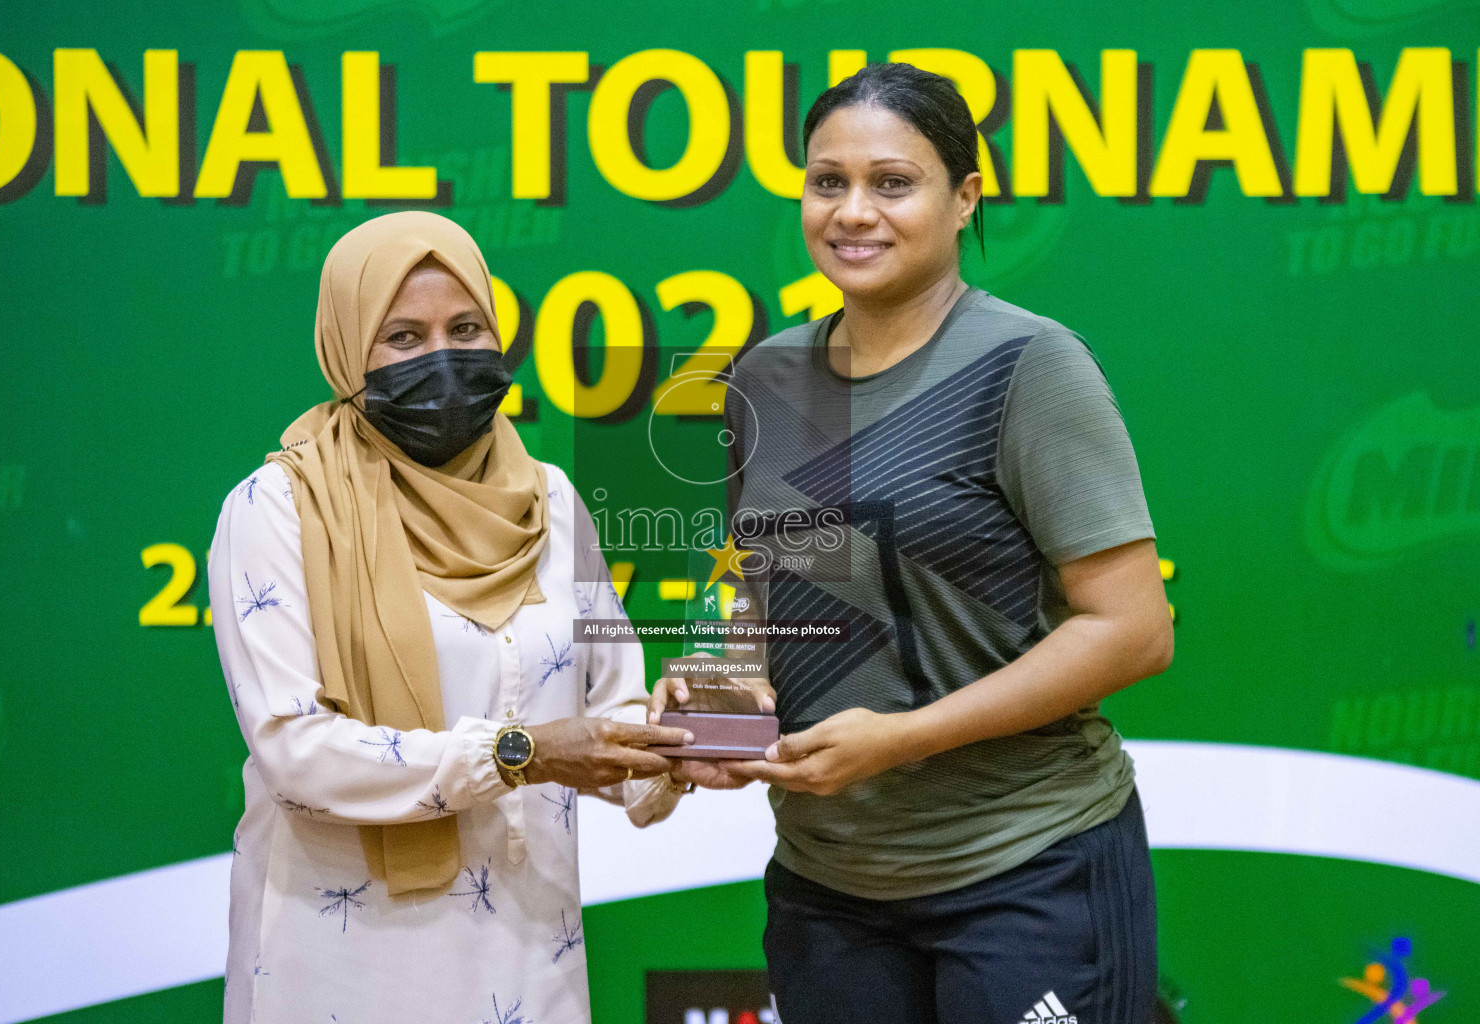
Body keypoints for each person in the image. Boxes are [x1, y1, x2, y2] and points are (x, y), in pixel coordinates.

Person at [652, 63, 1173, 1023]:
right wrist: (724, 694)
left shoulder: (1030, 365)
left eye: (893, 182)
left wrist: (900, 741)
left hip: (1026, 867)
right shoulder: (763, 379)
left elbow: (1134, 630)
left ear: (965, 194)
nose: (854, 212)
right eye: (827, 181)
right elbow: (771, 595)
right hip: (827, 885)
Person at [210, 211, 694, 1024]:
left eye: (466, 327)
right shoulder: (278, 511)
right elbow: (296, 747)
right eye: (402, 337)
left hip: (529, 950)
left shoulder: (552, 502)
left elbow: (607, 714)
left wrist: (679, 743)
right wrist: (522, 754)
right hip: (345, 962)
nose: (441, 356)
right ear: (345, 350)